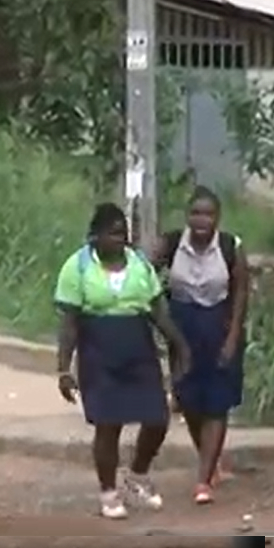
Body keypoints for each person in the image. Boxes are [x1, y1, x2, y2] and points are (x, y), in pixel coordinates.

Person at [54, 203, 191, 520]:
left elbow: (157, 310)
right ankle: (108, 493)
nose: (120, 240)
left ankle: (137, 476)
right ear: (95, 235)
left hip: (137, 347)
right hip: (98, 351)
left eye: (124, 235)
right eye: (113, 234)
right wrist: (63, 367)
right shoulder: (77, 267)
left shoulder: (139, 264)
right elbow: (70, 322)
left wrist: (180, 344)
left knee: (157, 417)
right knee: (108, 425)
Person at [153, 186, 249, 504]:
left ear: (218, 217)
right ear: (186, 216)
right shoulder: (170, 244)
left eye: (208, 213)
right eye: (195, 213)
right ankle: (208, 458)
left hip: (219, 324)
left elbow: (240, 294)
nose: (201, 220)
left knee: (217, 402)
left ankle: (204, 479)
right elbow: (144, 274)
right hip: (183, 326)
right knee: (189, 398)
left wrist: (233, 337)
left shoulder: (230, 246)